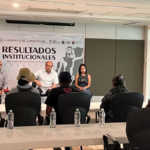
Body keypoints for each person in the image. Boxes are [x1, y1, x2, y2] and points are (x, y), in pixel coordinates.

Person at [45, 71, 80, 150]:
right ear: (71, 81)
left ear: (59, 81)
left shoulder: (53, 92)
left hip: (58, 125)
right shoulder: (78, 92)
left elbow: (48, 112)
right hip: (74, 125)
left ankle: (57, 147)